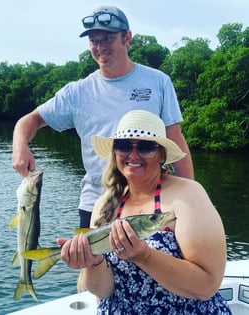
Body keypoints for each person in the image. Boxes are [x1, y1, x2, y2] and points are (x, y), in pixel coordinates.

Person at [12, 5, 194, 228]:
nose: (100, 47)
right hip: (95, 205)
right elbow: (31, 120)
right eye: (94, 40)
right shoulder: (76, 92)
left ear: (127, 38)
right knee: (90, 263)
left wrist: (191, 196)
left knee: (153, 262)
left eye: (107, 38)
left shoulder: (158, 82)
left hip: (150, 205)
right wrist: (20, 145)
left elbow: (174, 137)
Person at [59, 110, 231, 314]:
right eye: (123, 146)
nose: (133, 155)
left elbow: (207, 286)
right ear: (115, 152)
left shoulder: (187, 195)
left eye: (145, 147)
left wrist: (145, 256)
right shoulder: (104, 204)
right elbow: (103, 292)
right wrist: (93, 262)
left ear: (162, 155)